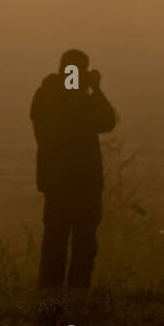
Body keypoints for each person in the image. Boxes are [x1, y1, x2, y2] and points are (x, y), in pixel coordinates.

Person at [29, 49, 116, 289]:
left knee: (64, 239)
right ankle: (69, 291)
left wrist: (91, 92)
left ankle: (53, 291)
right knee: (77, 239)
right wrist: (94, 90)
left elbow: (107, 122)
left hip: (63, 180)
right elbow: (105, 121)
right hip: (78, 179)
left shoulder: (46, 94)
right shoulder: (65, 98)